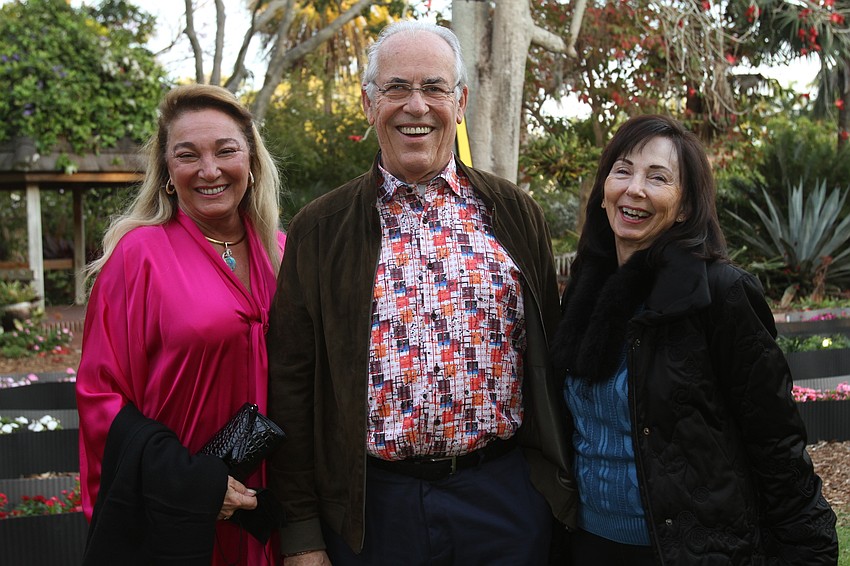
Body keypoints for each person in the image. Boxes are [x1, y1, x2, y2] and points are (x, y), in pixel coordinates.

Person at [266, 19, 576, 566]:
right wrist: (301, 534)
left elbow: (552, 358)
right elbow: (292, 387)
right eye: (397, 88)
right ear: (368, 103)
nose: (416, 105)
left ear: (458, 104)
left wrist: (550, 496)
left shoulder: (513, 212)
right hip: (373, 513)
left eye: (434, 88)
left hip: (504, 502)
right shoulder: (321, 228)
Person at [551, 113, 838, 564]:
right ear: (604, 191)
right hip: (590, 545)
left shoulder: (719, 294)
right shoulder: (585, 295)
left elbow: (776, 445)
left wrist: (809, 552)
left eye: (658, 178)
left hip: (689, 550)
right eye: (622, 170)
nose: (634, 189)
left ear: (684, 207)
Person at [76, 84, 286, 565]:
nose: (209, 170)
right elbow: (100, 398)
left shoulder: (282, 253)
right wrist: (194, 484)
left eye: (226, 150)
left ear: (251, 160)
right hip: (179, 514)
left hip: (270, 513)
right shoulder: (138, 257)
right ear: (168, 172)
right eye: (187, 155)